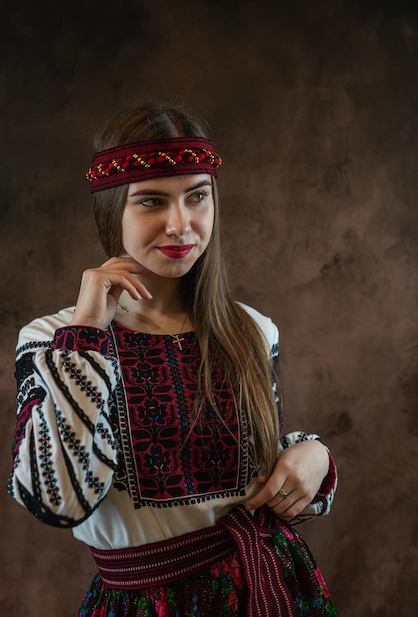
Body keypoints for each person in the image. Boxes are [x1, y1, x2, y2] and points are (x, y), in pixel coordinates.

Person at [8, 100, 337, 616]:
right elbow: (56, 502)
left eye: (197, 197)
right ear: (112, 208)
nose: (181, 225)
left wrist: (313, 457)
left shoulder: (251, 329)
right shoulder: (55, 340)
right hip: (149, 603)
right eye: (151, 201)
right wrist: (87, 335)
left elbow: (259, 468)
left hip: (270, 585)